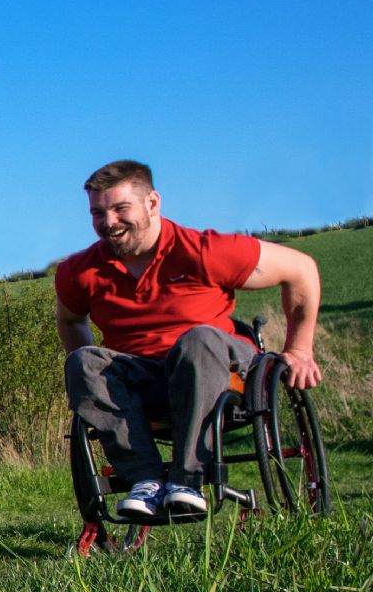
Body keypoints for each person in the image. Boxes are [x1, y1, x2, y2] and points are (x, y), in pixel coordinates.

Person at [55, 159, 322, 518]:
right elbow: (71, 320)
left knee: (196, 341)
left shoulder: (204, 251)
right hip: (144, 381)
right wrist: (96, 386)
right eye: (97, 213)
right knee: (82, 361)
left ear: (152, 203)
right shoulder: (80, 271)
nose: (109, 222)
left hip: (221, 374)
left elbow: (302, 269)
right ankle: (145, 482)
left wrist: (300, 349)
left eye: (120, 209)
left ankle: (188, 480)